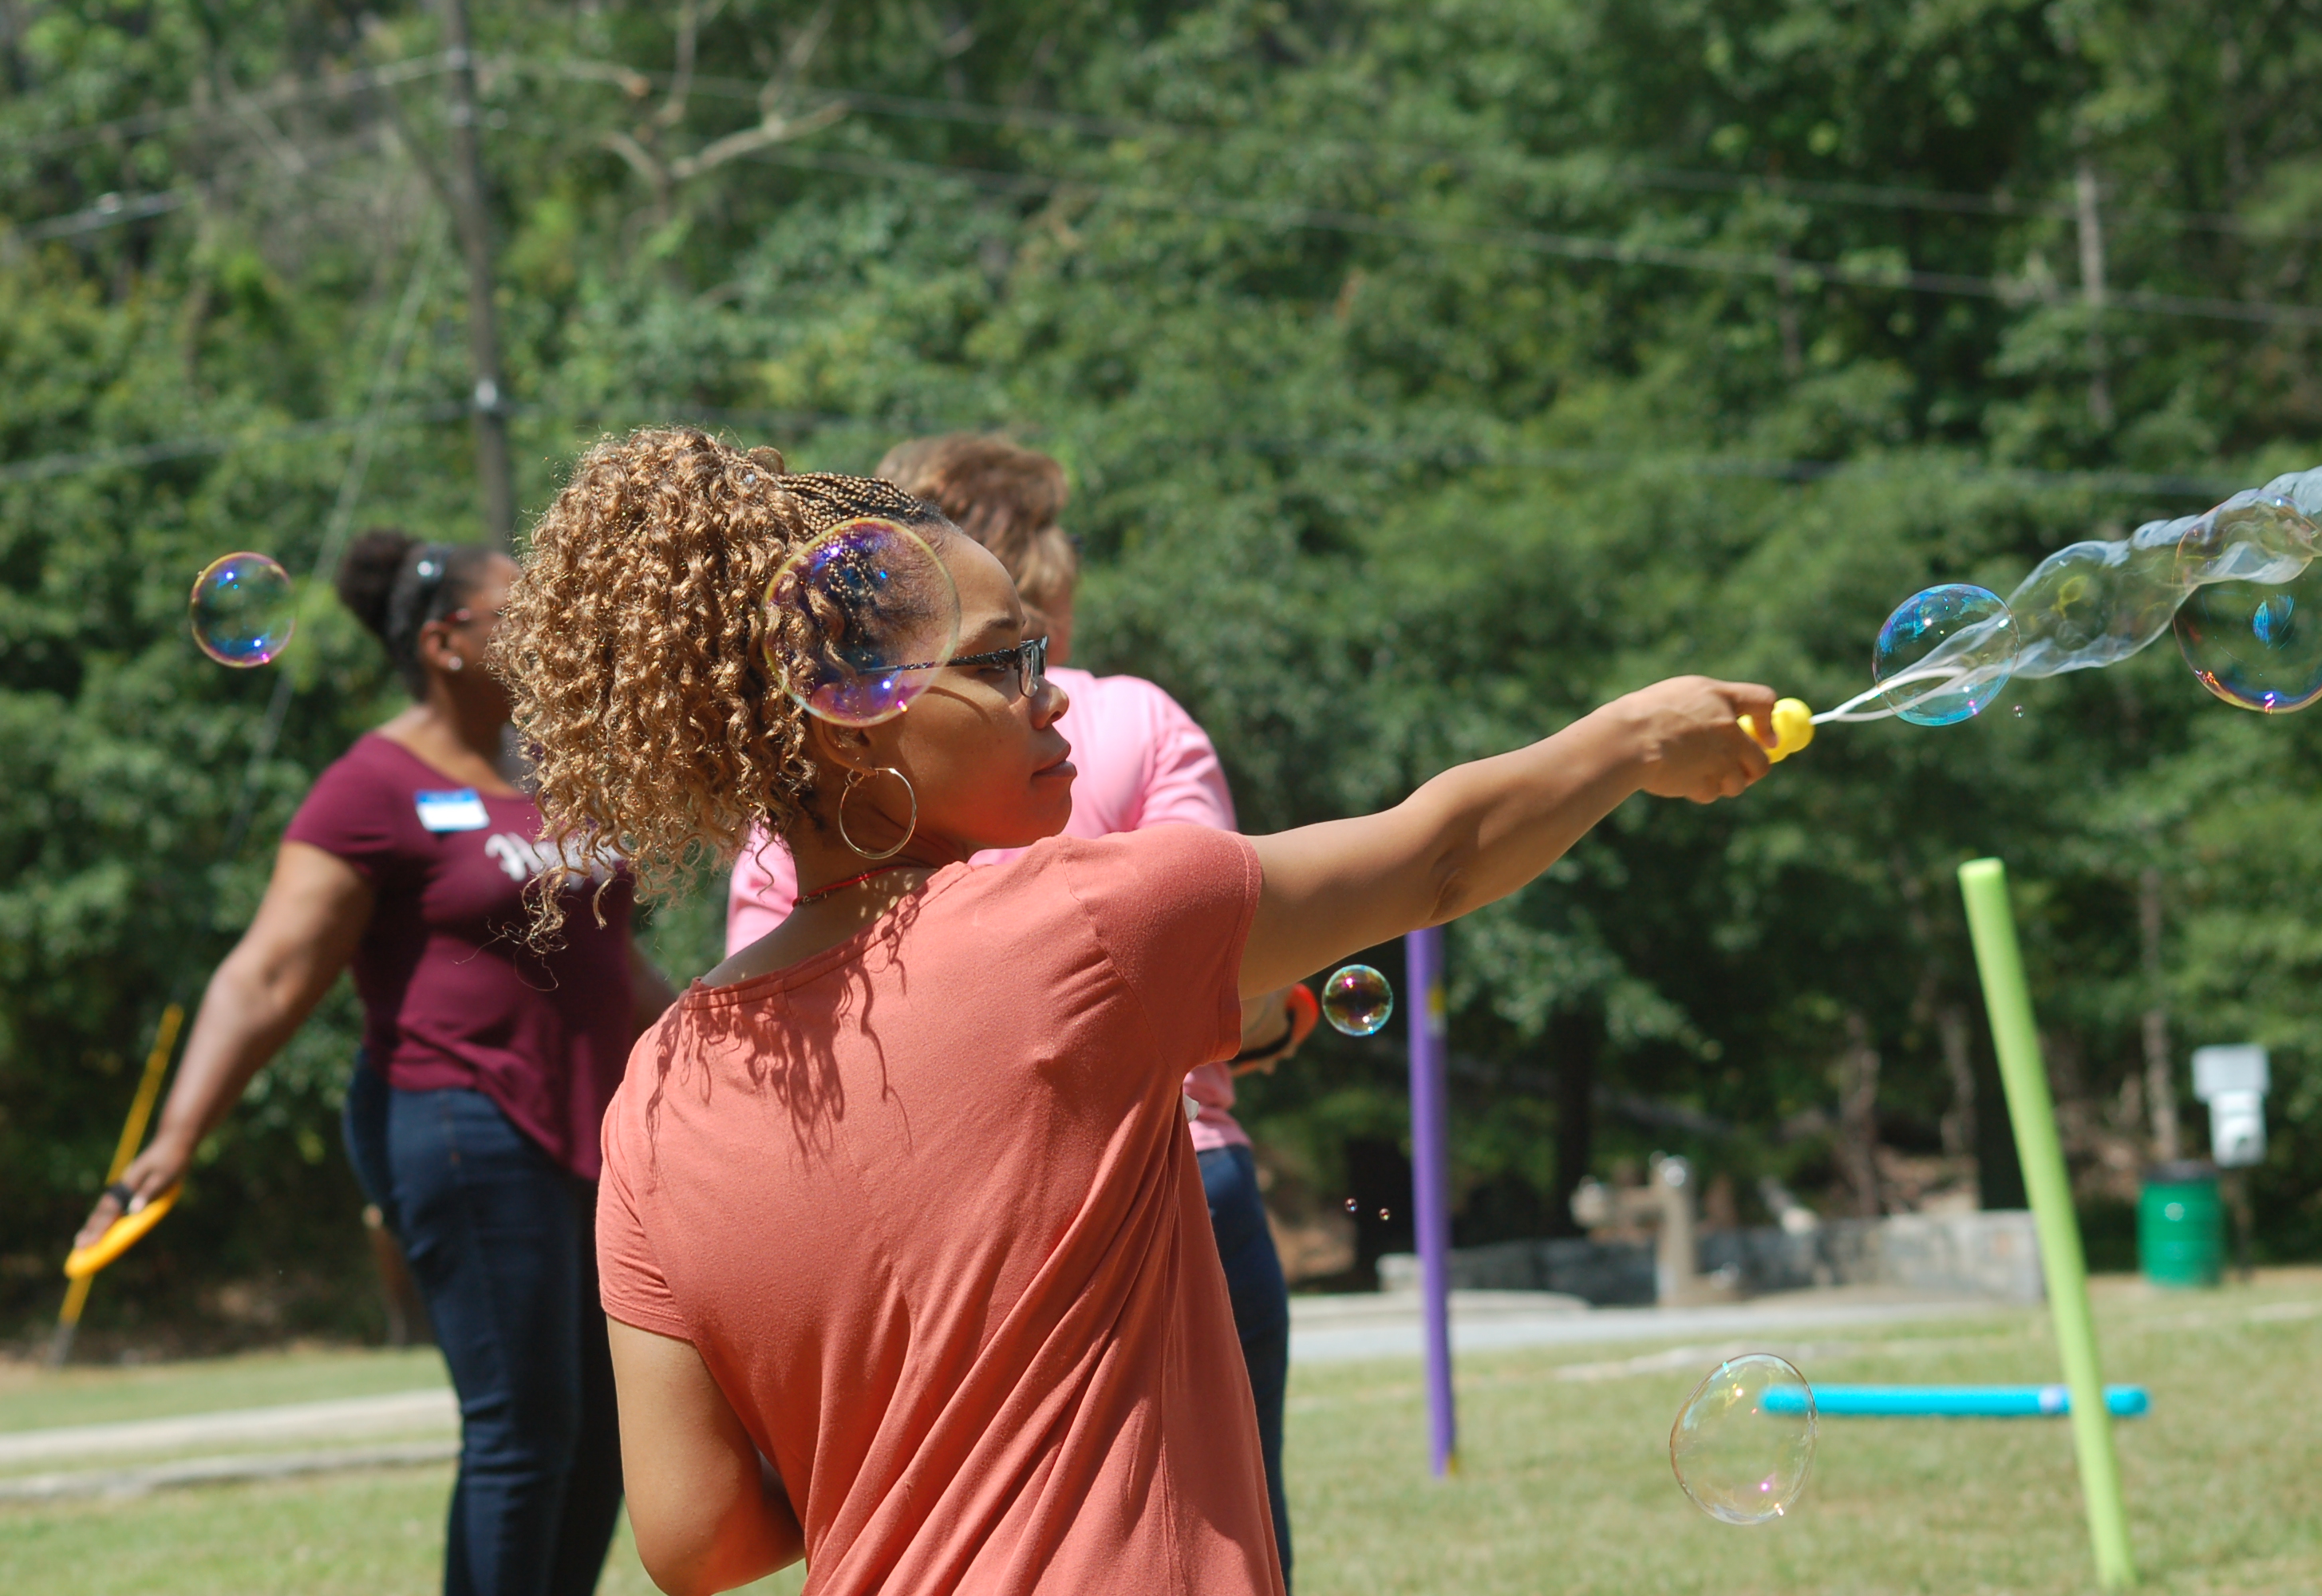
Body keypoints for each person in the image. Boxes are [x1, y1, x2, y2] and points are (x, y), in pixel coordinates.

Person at [493, 428, 1777, 1596]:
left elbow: (692, 1538)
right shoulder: (1082, 929)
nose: (1053, 695)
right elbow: (1439, 858)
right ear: (848, 727)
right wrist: (1630, 738)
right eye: (1002, 664)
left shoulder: (659, 1090)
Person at [723, 433, 1311, 1580]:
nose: (1047, 700)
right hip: (1178, 1175)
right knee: (1223, 1535)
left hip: (917, 1217)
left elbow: (773, 1021)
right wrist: (1272, 1016)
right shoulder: (1134, 716)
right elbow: (1219, 941)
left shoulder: (806, 763)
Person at [77, 530, 677, 1596]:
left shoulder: (559, 771)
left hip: (595, 1135)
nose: (554, 631)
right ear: (448, 643)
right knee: (525, 1427)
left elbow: (613, 963)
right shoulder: (370, 786)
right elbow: (266, 976)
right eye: (524, 614)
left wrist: (719, 1055)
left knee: (603, 1433)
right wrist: (170, 1144)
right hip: (462, 1121)